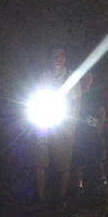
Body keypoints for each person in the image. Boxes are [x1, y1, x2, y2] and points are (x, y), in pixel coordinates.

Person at [33, 45, 80, 207]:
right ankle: (41, 198)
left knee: (63, 164)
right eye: (55, 55)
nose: (58, 58)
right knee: (40, 162)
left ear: (65, 58)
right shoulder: (44, 77)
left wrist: (71, 127)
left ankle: (61, 197)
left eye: (61, 55)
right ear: (50, 58)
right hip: (44, 123)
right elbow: (36, 97)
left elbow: (76, 104)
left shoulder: (71, 78)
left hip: (63, 125)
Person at [72, 70, 106, 192]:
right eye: (84, 78)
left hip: (93, 129)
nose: (86, 80)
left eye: (88, 78)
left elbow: (102, 112)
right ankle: (79, 183)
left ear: (92, 79)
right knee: (79, 156)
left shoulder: (96, 94)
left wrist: (100, 127)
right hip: (79, 129)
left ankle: (101, 178)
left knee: (96, 154)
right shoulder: (77, 93)